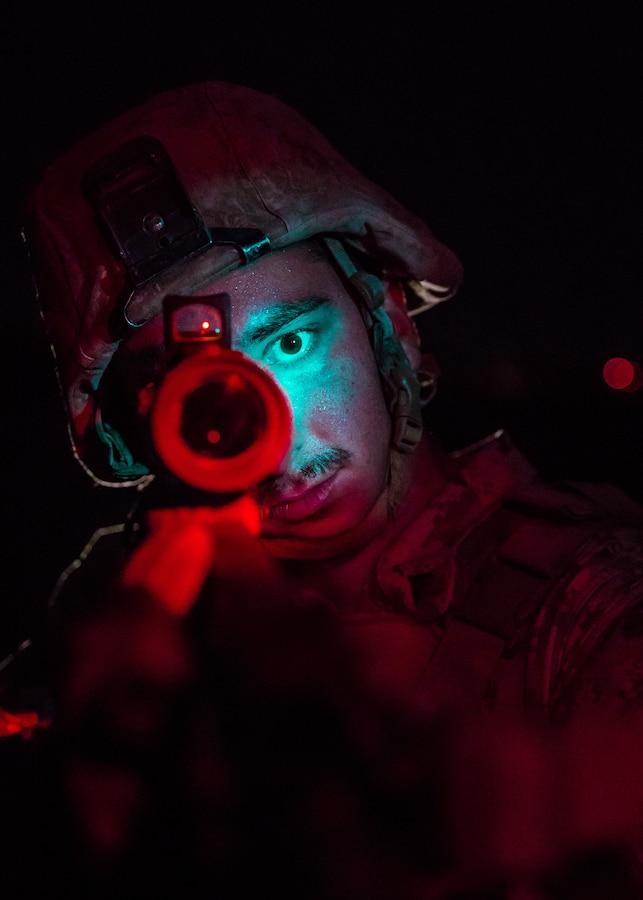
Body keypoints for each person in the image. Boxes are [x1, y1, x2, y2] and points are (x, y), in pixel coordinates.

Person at [5, 80, 643, 898]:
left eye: (295, 342)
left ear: (392, 323)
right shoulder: (127, 618)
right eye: (191, 395)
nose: (269, 432)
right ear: (142, 432)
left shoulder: (588, 619)